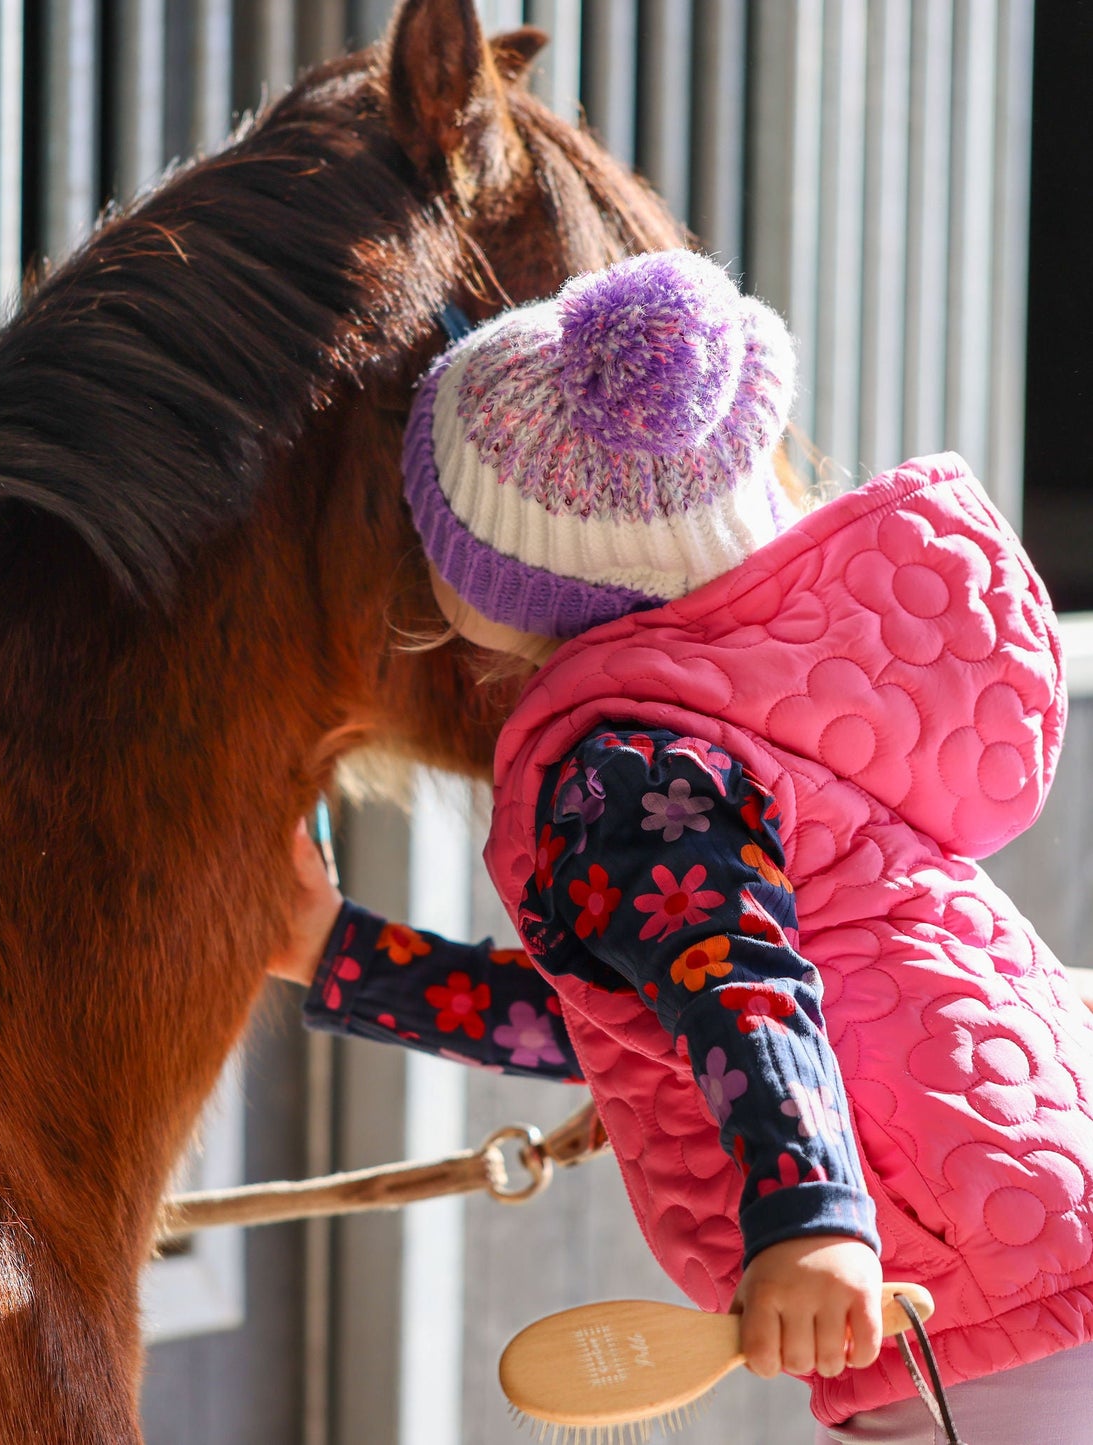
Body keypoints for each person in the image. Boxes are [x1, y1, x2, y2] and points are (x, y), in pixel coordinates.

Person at [268, 249, 1093, 1443]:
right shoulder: (761, 702)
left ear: (516, 573)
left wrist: (811, 1220)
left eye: (432, 521)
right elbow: (635, 1018)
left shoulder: (625, 769)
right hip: (1016, 1231)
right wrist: (339, 955)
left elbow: (736, 984)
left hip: (971, 1293)